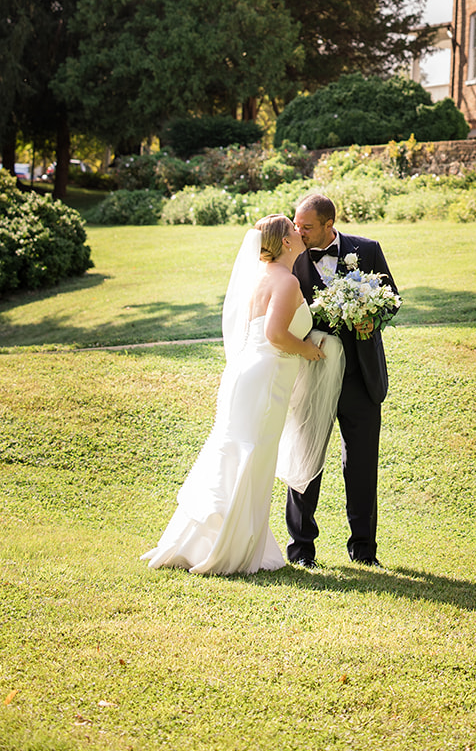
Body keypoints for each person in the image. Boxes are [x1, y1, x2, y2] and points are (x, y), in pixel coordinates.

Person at [143, 214, 325, 576]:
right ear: (286, 242)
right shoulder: (286, 282)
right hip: (267, 376)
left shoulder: (261, 277)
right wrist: (307, 350)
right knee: (252, 453)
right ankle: (232, 546)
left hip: (246, 373)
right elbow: (275, 334)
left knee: (234, 450)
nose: (299, 232)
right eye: (294, 228)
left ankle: (206, 541)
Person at [286, 191, 397, 570]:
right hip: (312, 373)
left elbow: (392, 298)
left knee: (363, 466)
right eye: (296, 224)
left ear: (329, 225)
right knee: (306, 459)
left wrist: (374, 319)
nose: (298, 232)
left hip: (361, 377)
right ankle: (301, 551)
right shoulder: (290, 256)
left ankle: (364, 550)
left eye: (307, 227)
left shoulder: (367, 249)